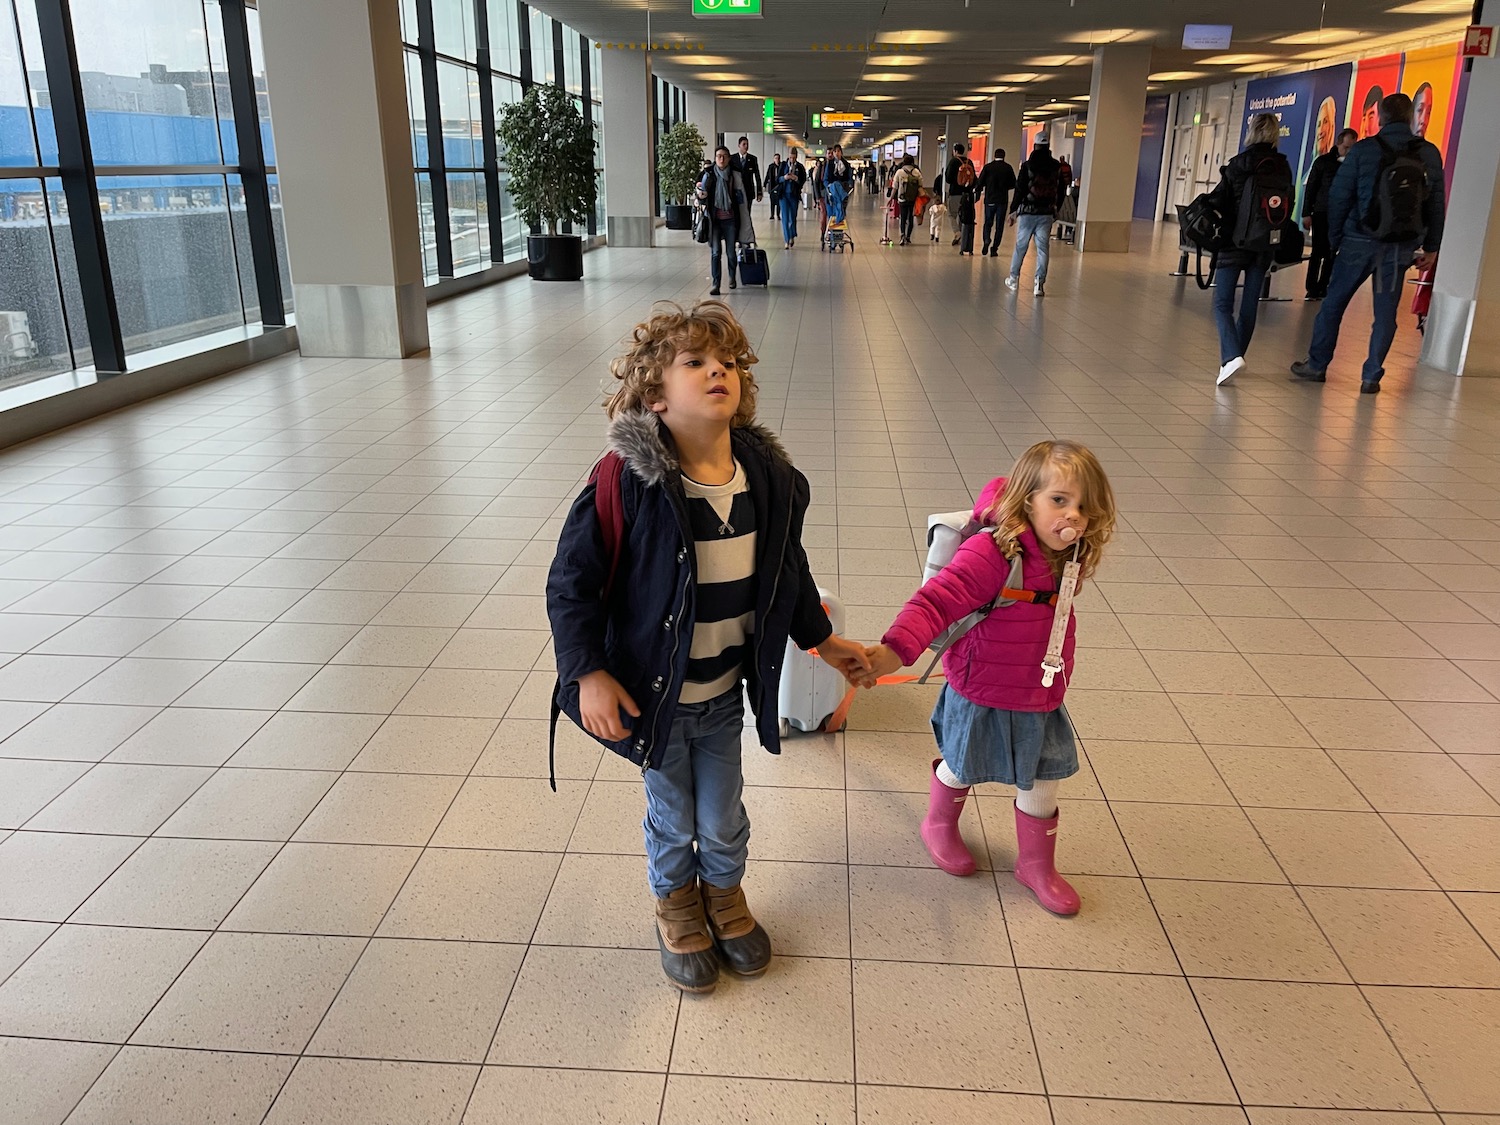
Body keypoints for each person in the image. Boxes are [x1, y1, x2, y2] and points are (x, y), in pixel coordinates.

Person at [547, 300, 872, 993]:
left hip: (725, 692)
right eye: (694, 362)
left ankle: (724, 897)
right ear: (656, 397)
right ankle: (676, 903)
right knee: (673, 812)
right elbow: (570, 585)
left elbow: (788, 567)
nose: (716, 370)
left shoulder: (767, 480)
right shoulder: (628, 483)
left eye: (725, 362)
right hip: (654, 699)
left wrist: (821, 639)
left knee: (722, 811)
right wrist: (587, 672)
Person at [854, 440, 1116, 916]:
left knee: (1043, 777)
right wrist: (895, 651)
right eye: (1059, 500)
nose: (1073, 515)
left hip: (1038, 690)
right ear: (1027, 499)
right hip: (981, 687)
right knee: (962, 762)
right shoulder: (994, 550)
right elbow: (937, 600)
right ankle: (938, 823)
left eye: (1084, 505)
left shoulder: (1068, 553)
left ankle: (1036, 865)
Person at [1291, 92, 1445, 394]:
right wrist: (1431, 246)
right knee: (1385, 314)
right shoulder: (1428, 153)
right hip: (1399, 246)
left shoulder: (1363, 150)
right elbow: (1436, 203)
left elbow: (1339, 197)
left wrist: (1334, 240)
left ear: (1383, 119)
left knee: (1333, 304)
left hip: (1357, 241)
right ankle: (1372, 375)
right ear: (1410, 117)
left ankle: (1317, 364)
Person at [1205, 114, 1294, 386]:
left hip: (1234, 242)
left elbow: (1220, 201)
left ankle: (1231, 357)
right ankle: (1232, 359)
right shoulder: (1283, 167)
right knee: (1249, 306)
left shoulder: (1238, 165)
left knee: (1222, 304)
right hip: (1265, 243)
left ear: (1251, 132)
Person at [1007, 133, 1070, 297]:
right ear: (1048, 146)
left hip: (1027, 213)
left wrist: (1013, 211)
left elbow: (1020, 189)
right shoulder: (1056, 166)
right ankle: (1039, 284)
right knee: (1043, 250)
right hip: (1046, 213)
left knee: (1021, 247)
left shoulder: (1028, 165)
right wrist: (1056, 207)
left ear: (1035, 146)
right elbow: (1061, 190)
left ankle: (1013, 279)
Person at [1302, 127, 1358, 300]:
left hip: (1342, 215)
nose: (1348, 152)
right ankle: (1312, 287)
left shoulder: (1352, 165)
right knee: (1318, 251)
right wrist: (1306, 212)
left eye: (1351, 148)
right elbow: (1311, 188)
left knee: (1332, 252)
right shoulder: (1323, 162)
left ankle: (1324, 286)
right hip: (1322, 212)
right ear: (1339, 144)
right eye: (1346, 148)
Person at [695, 146, 748, 295]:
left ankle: (732, 277)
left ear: (729, 158)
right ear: (715, 158)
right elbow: (702, 193)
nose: (721, 159)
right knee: (715, 252)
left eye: (724, 156)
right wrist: (700, 195)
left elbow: (742, 196)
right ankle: (716, 283)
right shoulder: (709, 174)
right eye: (719, 156)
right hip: (714, 220)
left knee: (731, 252)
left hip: (730, 219)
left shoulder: (734, 174)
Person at [977, 146, 1017, 257]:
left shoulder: (988, 167)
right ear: (1004, 156)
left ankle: (986, 239)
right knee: (999, 225)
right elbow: (1014, 183)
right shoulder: (1008, 168)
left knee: (988, 223)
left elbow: (980, 182)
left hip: (989, 199)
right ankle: (994, 248)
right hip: (1002, 201)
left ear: (994, 156)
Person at [944, 141, 974, 245]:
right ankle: (963, 235)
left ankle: (957, 233)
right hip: (967, 193)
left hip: (955, 193)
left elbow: (948, 178)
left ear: (955, 151)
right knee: (963, 214)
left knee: (952, 214)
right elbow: (973, 179)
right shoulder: (969, 162)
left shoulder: (953, 162)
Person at [889, 153, 922, 245]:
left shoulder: (899, 172)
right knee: (910, 217)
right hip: (913, 198)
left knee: (903, 217)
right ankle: (908, 237)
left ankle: (902, 235)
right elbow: (921, 185)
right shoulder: (916, 172)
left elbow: (895, 187)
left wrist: (891, 198)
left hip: (902, 198)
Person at [779, 148, 806, 248]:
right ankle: (787, 239)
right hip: (784, 195)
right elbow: (778, 178)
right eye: (790, 157)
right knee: (785, 218)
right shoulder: (783, 165)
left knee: (792, 217)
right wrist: (784, 178)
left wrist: (796, 178)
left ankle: (792, 235)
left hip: (794, 195)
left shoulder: (800, 167)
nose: (792, 159)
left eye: (794, 158)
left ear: (796, 157)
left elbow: (802, 180)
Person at [729, 135, 763, 208]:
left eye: (747, 144)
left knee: (747, 212)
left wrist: (759, 192)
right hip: (736, 191)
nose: (746, 146)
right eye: (744, 144)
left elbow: (757, 176)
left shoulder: (753, 159)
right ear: (739, 145)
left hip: (748, 191)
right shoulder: (732, 159)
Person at [824, 144, 854, 226]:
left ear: (841, 152)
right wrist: (830, 187)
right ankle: (832, 237)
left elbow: (850, 179)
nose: (836, 153)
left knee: (840, 218)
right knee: (831, 217)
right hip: (831, 195)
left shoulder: (846, 165)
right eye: (835, 151)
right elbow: (825, 180)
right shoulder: (829, 164)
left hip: (842, 194)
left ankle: (839, 236)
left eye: (838, 151)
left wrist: (849, 187)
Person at [766, 153, 784, 222]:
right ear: (774, 159)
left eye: (778, 158)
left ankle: (778, 215)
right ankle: (772, 215)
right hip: (772, 187)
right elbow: (767, 176)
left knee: (779, 202)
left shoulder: (781, 166)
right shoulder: (771, 166)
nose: (777, 160)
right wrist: (764, 185)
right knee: (772, 202)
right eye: (776, 158)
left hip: (779, 186)